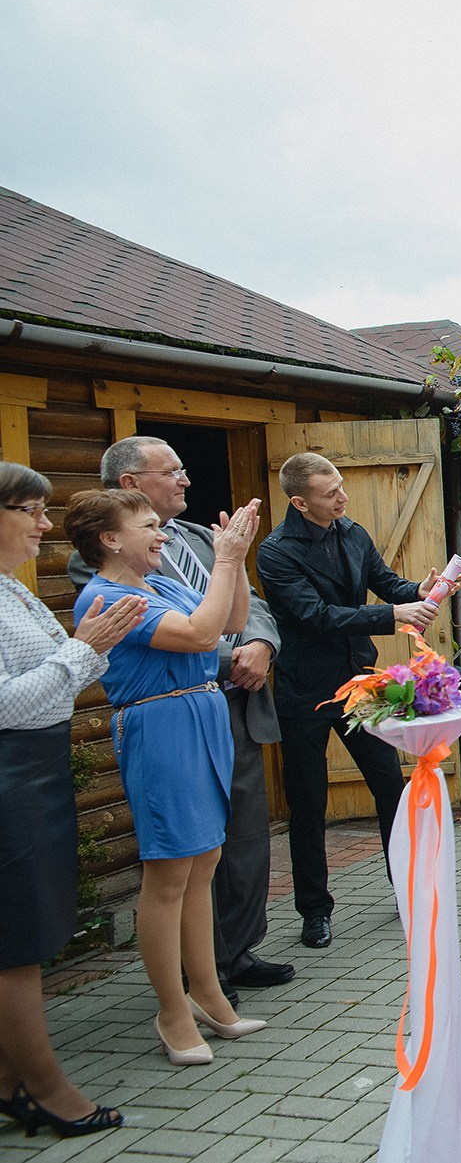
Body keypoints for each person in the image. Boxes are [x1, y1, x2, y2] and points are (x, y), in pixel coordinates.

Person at [69, 437, 292, 1001]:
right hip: (167, 717)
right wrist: (227, 576)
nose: (185, 481)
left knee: (231, 843)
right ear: (128, 487)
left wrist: (258, 641)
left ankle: (233, 955)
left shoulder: (183, 549)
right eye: (171, 472)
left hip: (219, 708)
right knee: (178, 862)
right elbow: (197, 634)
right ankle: (192, 982)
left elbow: (239, 612)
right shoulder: (99, 574)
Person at [254, 452, 460, 949]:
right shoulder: (275, 553)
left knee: (390, 785)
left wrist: (419, 590)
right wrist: (393, 615)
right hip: (304, 689)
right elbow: (316, 615)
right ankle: (314, 911)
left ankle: (407, 888)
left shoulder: (352, 532)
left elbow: (385, 582)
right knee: (308, 802)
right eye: (331, 493)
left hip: (360, 686)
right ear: (300, 503)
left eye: (341, 486)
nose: (343, 498)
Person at [0, 465, 142, 1136]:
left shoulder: (13, 589)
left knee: (26, 930)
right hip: (9, 777)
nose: (45, 523)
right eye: (30, 509)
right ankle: (51, 1091)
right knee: (16, 941)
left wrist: (89, 650)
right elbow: (7, 704)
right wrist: (84, 649)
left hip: (37, 769)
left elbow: (63, 679)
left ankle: (6, 1083)